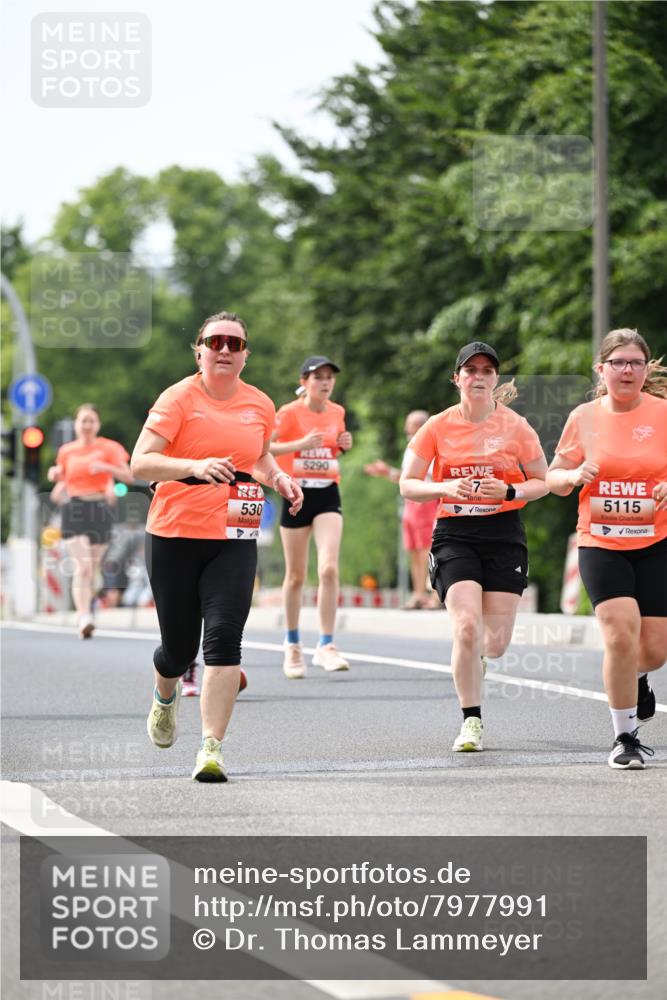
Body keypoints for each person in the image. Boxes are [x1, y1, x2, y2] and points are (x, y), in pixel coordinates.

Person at [131, 311, 302, 782]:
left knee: (225, 638)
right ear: (200, 350)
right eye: (215, 341)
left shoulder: (260, 404)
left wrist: (280, 477)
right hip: (174, 534)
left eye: (234, 343)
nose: (224, 349)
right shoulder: (179, 398)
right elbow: (140, 463)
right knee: (179, 649)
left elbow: (260, 455)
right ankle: (164, 696)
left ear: (245, 354)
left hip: (233, 536)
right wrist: (194, 465)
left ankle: (211, 747)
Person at [400, 342, 548, 752]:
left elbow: (543, 480)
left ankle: (475, 659)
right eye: (471, 370)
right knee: (466, 626)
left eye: (486, 370)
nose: (479, 377)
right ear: (457, 379)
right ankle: (472, 722)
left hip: (503, 533)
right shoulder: (437, 426)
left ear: (494, 379)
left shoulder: (517, 426)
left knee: (494, 644)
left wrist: (511, 489)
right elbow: (407, 484)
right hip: (455, 533)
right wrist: (444, 486)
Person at [546, 328, 667, 770]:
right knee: (619, 633)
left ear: (647, 368)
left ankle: (639, 675)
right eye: (618, 362)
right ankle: (624, 737)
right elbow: (553, 479)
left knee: (653, 650)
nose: (627, 370)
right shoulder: (584, 417)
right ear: (602, 370)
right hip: (600, 541)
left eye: (635, 362)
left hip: (657, 542)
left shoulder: (664, 414)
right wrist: (574, 477)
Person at [270, 356, 353, 678]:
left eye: (330, 376)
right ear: (304, 381)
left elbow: (335, 446)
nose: (325, 382)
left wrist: (344, 444)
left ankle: (327, 645)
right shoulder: (289, 412)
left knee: (329, 568)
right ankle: (292, 645)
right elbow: (267, 448)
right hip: (295, 494)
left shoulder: (337, 412)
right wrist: (300, 444)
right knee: (296, 576)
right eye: (318, 376)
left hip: (327, 493)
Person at [47, 404, 132, 639]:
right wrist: (54, 475)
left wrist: (105, 467)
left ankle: (87, 608)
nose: (86, 425)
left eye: (91, 421)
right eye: (82, 420)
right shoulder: (67, 451)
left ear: (98, 424)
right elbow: (61, 477)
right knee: (83, 566)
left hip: (100, 509)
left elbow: (128, 475)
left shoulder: (109, 448)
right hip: (74, 508)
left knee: (92, 569)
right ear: (75, 424)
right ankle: (83, 616)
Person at [365, 409, 440, 609]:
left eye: (410, 423)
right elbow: (407, 478)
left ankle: (435, 596)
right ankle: (418, 594)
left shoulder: (430, 445)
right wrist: (387, 472)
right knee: (414, 550)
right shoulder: (411, 447)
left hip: (426, 501)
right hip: (411, 503)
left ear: (419, 425)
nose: (406, 427)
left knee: (427, 550)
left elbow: (430, 478)